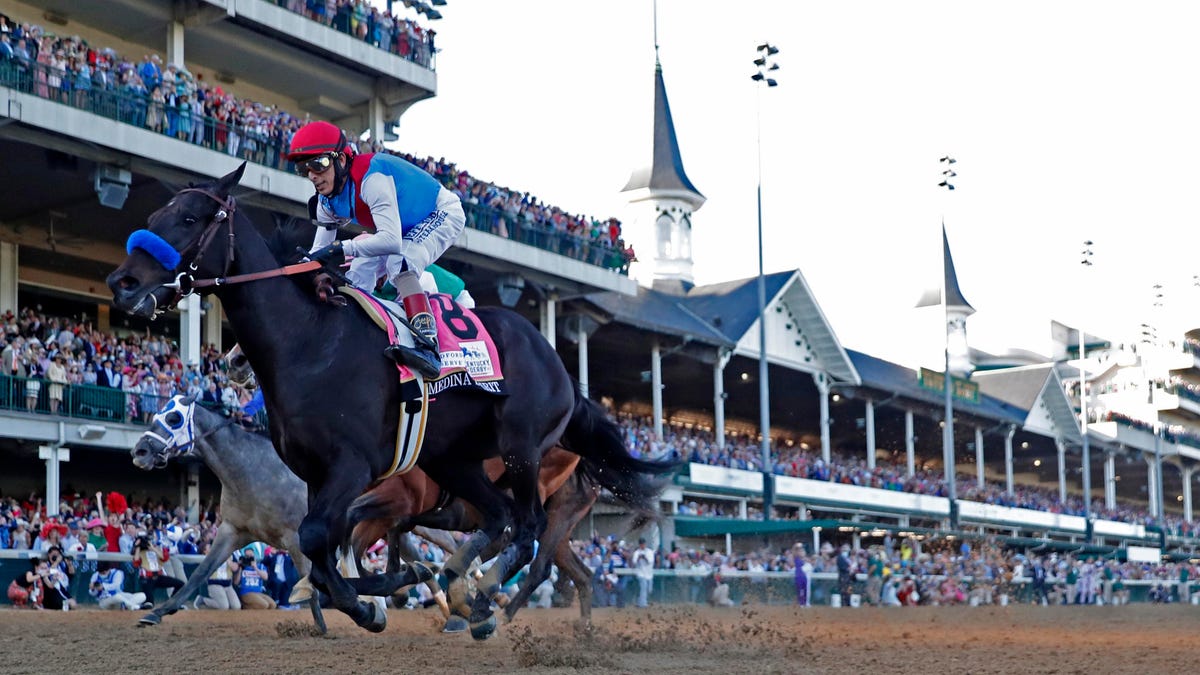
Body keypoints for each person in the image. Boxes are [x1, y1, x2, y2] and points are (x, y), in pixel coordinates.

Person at [287, 120, 466, 379]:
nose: (312, 175)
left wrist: (343, 248)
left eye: (319, 164)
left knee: (401, 262)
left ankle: (428, 344)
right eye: (304, 168)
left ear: (341, 160)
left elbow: (391, 241)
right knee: (358, 270)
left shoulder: (372, 179)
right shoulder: (326, 201)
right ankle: (354, 336)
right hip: (402, 226)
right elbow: (318, 254)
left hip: (441, 212)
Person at [631, 538, 654, 608]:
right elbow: (634, 562)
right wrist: (639, 558)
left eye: (643, 544)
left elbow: (650, 561)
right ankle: (643, 604)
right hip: (640, 573)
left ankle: (639, 601)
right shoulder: (636, 552)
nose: (642, 545)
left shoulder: (650, 551)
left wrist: (644, 557)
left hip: (649, 573)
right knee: (643, 588)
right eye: (641, 544)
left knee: (649, 589)